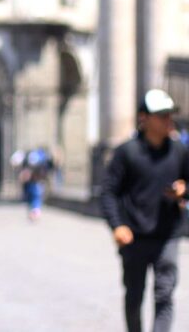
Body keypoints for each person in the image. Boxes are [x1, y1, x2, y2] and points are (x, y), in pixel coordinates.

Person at [101, 89, 189, 332]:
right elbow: (108, 192)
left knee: (165, 294)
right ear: (144, 118)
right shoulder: (126, 152)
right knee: (134, 296)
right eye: (161, 115)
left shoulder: (179, 151)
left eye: (170, 115)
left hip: (167, 234)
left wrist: (184, 191)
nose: (168, 120)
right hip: (134, 235)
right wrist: (117, 225)